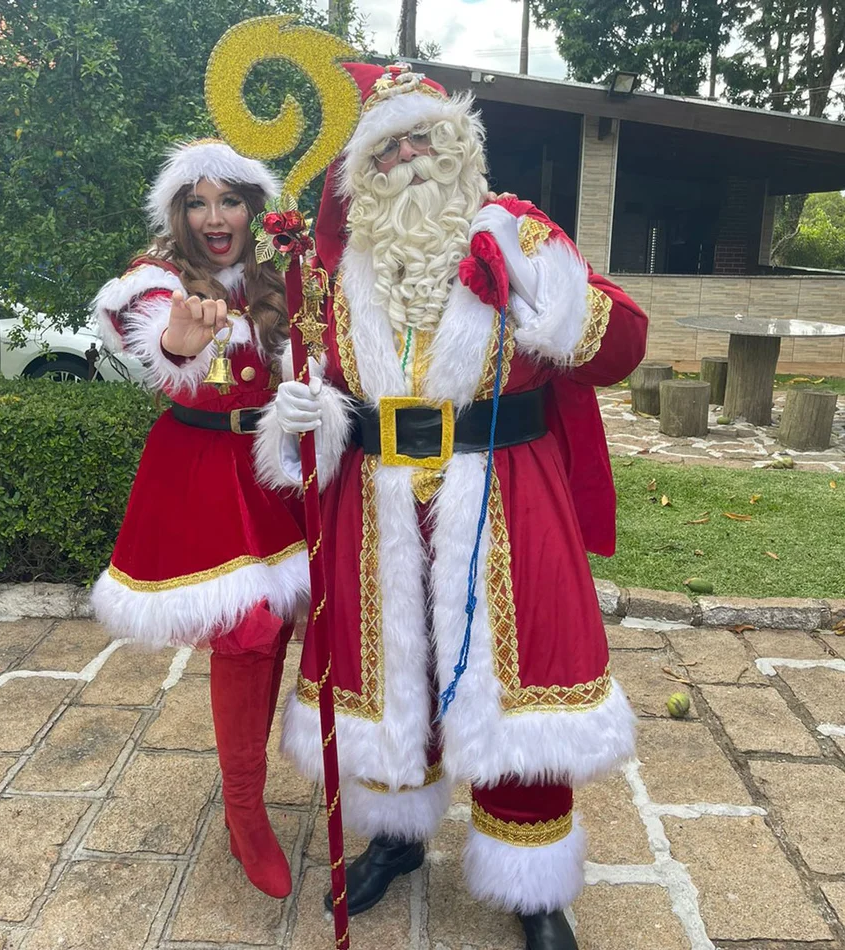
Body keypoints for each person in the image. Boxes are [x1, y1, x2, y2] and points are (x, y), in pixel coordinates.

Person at [253, 64, 649, 947]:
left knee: (516, 690)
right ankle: (396, 837)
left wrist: (533, 287)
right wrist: (304, 418)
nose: (407, 159)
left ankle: (534, 879)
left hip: (506, 492)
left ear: (457, 145)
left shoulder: (516, 230)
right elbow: (320, 396)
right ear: (363, 171)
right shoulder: (332, 268)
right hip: (377, 503)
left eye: (421, 139)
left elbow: (621, 343)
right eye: (386, 147)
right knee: (398, 678)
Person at [90, 139, 307, 899]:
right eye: (196, 202)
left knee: (277, 626)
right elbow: (159, 343)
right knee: (245, 632)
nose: (214, 218)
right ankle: (245, 811)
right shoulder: (153, 279)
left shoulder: (282, 277)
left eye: (229, 200)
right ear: (177, 214)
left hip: (280, 474)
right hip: (204, 479)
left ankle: (286, 781)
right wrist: (184, 335)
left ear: (253, 205)